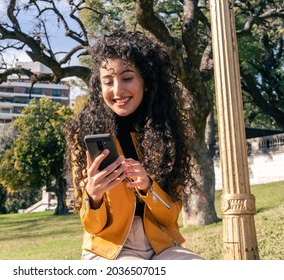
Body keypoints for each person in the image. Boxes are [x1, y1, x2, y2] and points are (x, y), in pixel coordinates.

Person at [64, 29, 204, 260]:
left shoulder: (166, 133)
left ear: (145, 81)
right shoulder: (84, 135)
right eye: (108, 82)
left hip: (162, 245)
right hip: (108, 249)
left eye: (127, 78)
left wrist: (148, 187)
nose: (117, 90)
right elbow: (92, 226)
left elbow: (170, 217)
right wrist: (94, 195)